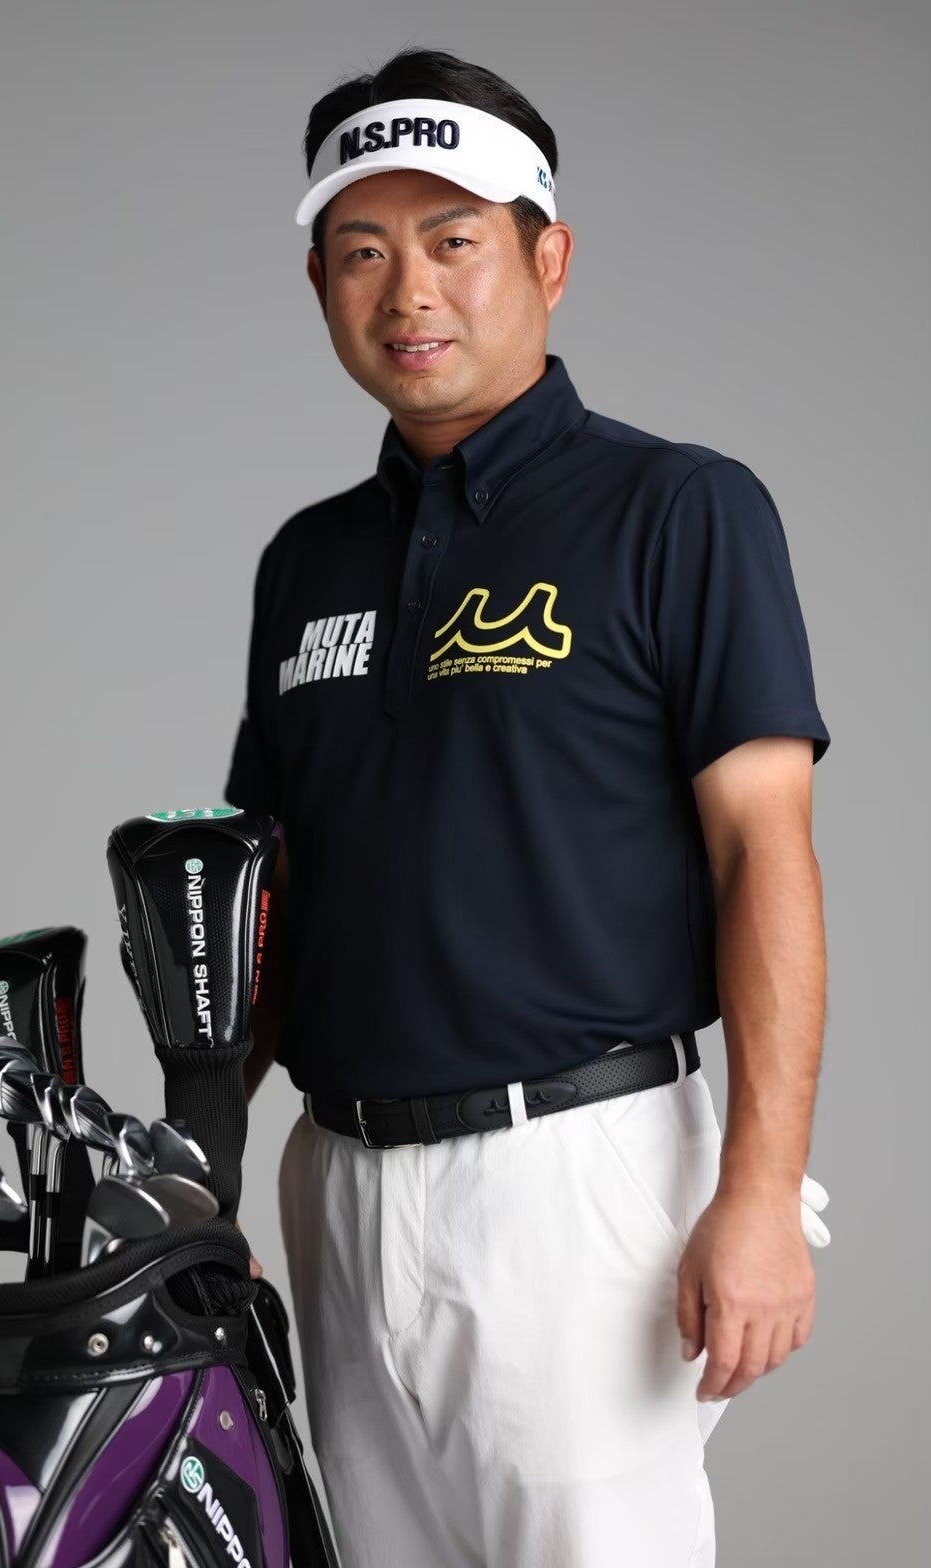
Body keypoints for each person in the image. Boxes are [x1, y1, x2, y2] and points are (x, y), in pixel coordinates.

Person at [224, 46, 831, 1568]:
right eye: (363, 252)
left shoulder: (680, 509)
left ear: (548, 259)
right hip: (335, 1182)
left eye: (455, 241)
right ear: (318, 282)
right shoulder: (306, 562)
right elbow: (256, 901)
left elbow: (764, 850)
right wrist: (202, 1178)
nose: (409, 291)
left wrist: (759, 1192)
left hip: (574, 1171)